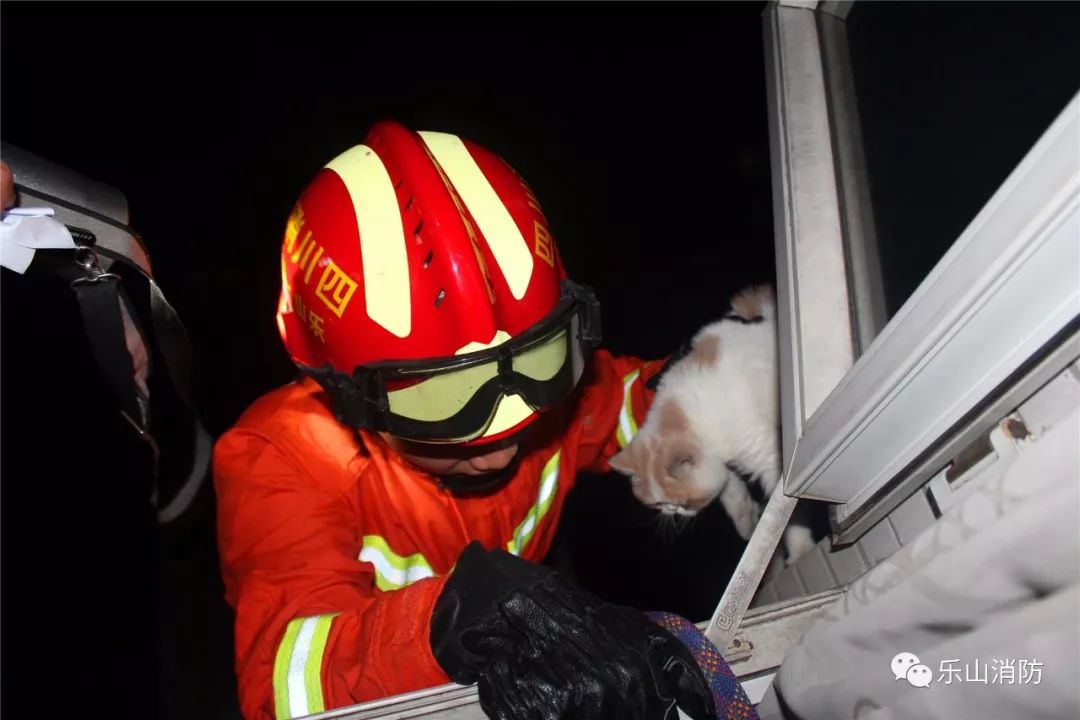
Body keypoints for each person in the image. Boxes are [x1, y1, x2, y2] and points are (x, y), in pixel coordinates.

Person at [213, 121, 718, 720]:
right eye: (439, 405)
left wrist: (707, 386)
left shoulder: (551, 400)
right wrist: (444, 625)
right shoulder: (277, 457)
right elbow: (285, 689)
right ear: (343, 392)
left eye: (540, 361)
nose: (497, 452)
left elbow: (625, 407)